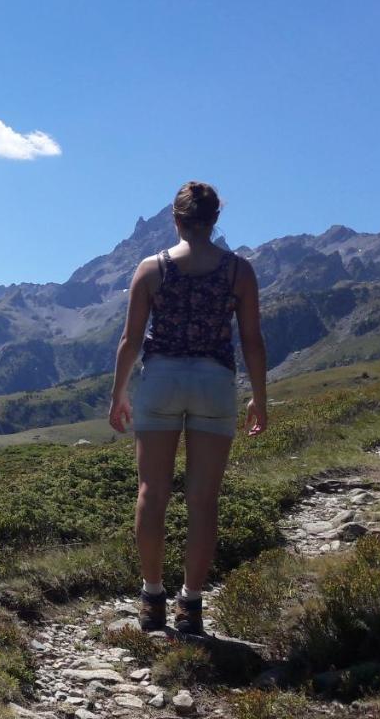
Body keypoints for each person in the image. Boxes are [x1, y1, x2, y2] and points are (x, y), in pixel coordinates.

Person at [107, 181, 268, 634]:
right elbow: (252, 340)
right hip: (215, 383)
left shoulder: (151, 269)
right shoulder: (239, 272)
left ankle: (152, 599)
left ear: (175, 219)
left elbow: (130, 340)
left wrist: (119, 393)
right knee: (203, 500)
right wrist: (259, 395)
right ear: (215, 220)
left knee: (151, 494)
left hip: (161, 380)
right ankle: (191, 605)